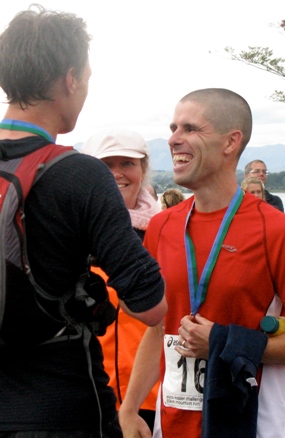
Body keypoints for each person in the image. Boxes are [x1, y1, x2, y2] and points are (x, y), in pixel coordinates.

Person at [118, 88, 285, 438]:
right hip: (172, 423)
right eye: (173, 128)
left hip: (250, 419)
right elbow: (159, 329)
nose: (173, 139)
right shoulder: (163, 225)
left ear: (231, 142)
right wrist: (128, 408)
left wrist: (221, 341)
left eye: (190, 129)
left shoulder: (277, 229)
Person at [0, 5, 166, 438]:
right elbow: (148, 305)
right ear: (70, 78)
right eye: (87, 79)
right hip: (60, 405)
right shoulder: (78, 173)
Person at [81, 128, 161, 431]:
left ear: (143, 170)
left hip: (151, 398)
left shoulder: (166, 232)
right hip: (87, 396)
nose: (117, 173)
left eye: (127, 163)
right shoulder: (70, 234)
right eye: (105, 165)